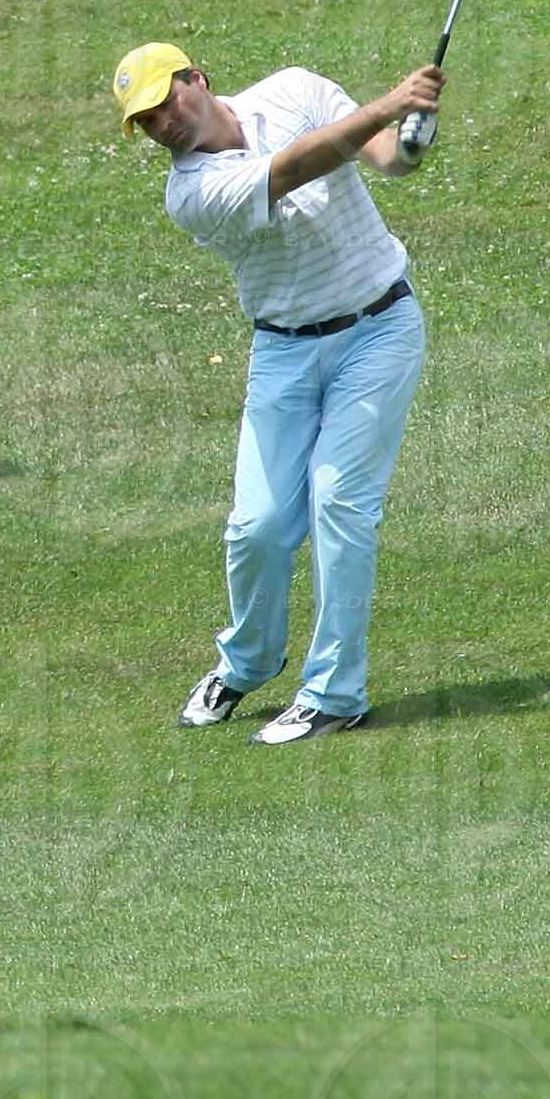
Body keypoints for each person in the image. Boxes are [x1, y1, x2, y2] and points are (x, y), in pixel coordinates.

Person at [114, 41, 445, 743]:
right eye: (144, 121)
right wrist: (393, 100)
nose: (161, 123)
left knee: (339, 503)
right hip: (283, 351)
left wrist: (409, 140)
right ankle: (247, 660)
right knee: (257, 525)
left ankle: (334, 692)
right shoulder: (192, 193)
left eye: (164, 101)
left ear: (197, 78)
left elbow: (378, 154)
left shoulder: (293, 87)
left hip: (377, 329)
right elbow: (303, 163)